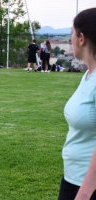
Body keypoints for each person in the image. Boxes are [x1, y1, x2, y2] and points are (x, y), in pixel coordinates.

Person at [58, 8, 96, 200]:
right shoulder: (88, 76)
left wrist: (86, 192)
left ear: (81, 38)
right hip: (73, 178)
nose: (70, 39)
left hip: (88, 188)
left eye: (71, 34)